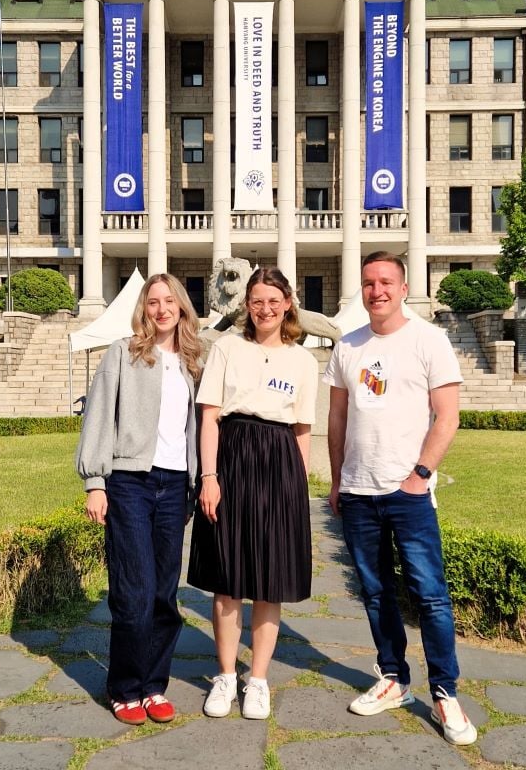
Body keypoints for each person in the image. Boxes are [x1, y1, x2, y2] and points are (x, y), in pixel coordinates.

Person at [324, 251, 477, 746]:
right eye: (368, 283)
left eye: (385, 282)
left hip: (407, 492)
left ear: (403, 287)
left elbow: (448, 416)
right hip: (359, 489)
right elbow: (337, 420)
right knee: (375, 593)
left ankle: (445, 691)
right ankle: (393, 678)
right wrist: (336, 480)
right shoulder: (347, 346)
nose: (377, 291)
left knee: (429, 596)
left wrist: (420, 475)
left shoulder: (428, 340)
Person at [188, 267, 318, 720]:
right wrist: (209, 476)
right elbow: (209, 418)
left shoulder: (303, 360)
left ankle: (257, 679)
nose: (265, 309)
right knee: (227, 581)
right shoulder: (227, 348)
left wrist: (297, 488)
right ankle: (225, 676)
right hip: (232, 456)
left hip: (279, 461)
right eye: (257, 301)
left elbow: (302, 429)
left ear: (288, 304)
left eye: (273, 301)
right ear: (247, 305)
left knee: (270, 581)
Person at [75, 273, 202, 726]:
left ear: (183, 307)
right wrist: (95, 481)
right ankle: (124, 687)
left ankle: (154, 685)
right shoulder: (124, 353)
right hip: (129, 482)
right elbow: (98, 416)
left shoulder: (192, 360)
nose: (162, 309)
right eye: (154, 302)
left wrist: (197, 483)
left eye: (170, 301)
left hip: (175, 486)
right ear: (144, 309)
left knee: (165, 595)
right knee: (134, 591)